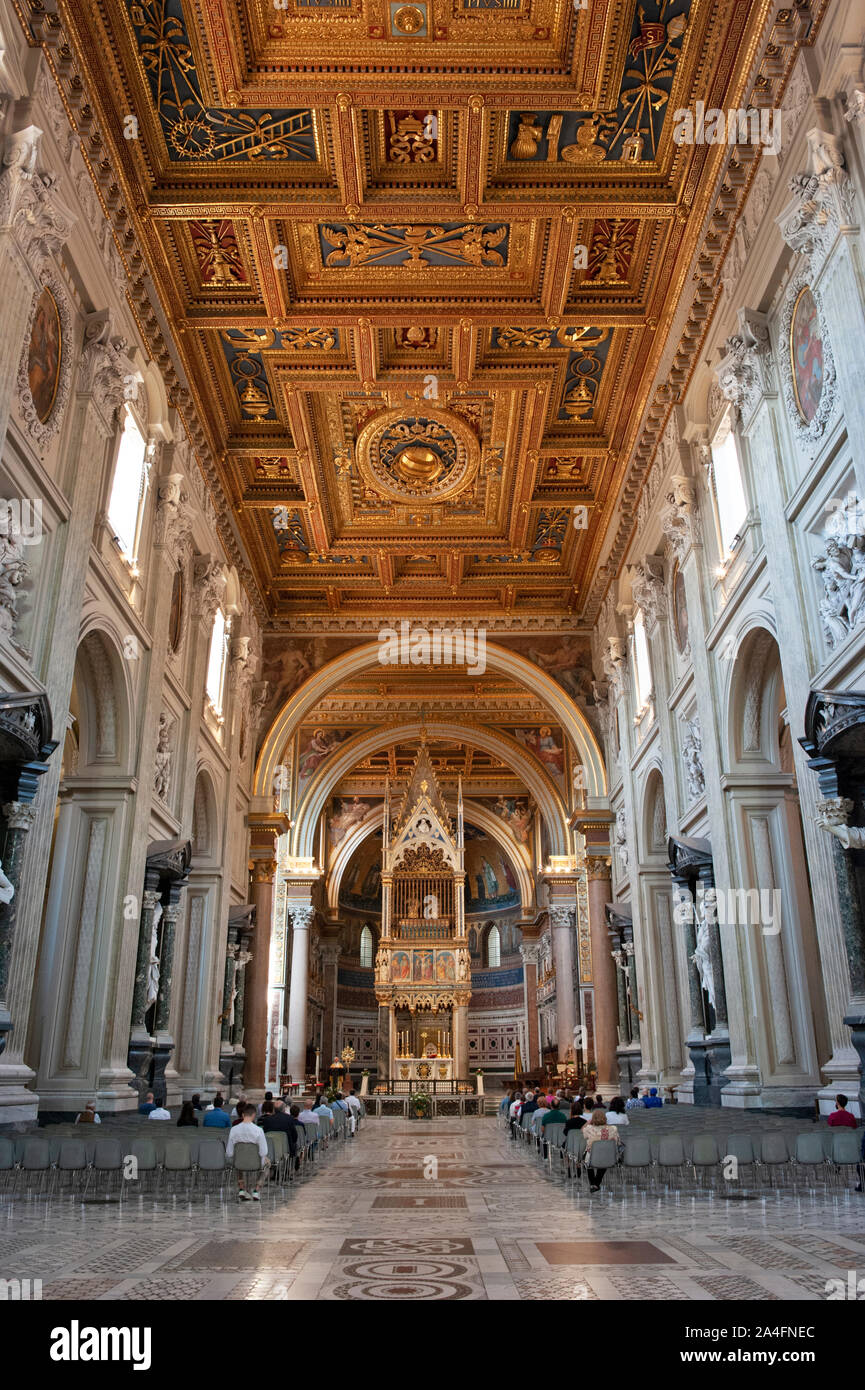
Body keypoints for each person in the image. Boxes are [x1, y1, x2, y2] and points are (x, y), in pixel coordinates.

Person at [225, 1102, 269, 1201]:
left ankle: (241, 1188)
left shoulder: (234, 1130)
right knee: (267, 1164)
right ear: (254, 1115)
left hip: (239, 1163)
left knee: (237, 1159)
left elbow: (229, 1152)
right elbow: (263, 1152)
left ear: (243, 1115)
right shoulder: (258, 1130)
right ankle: (256, 1190)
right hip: (255, 1163)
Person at [584, 1108, 623, 1191]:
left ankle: (593, 1183)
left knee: (587, 1158)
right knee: (605, 1154)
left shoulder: (590, 1129)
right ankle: (596, 1183)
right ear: (605, 1118)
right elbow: (618, 1142)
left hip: (593, 1157)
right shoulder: (613, 1129)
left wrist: (589, 1122)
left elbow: (583, 1133)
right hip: (609, 1157)